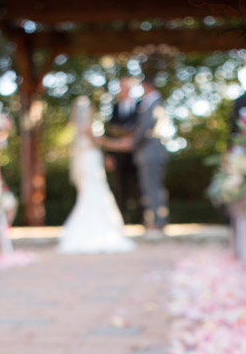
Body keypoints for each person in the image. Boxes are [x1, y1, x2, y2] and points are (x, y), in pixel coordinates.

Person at [58, 96, 135, 254]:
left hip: (88, 160)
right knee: (95, 191)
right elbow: (97, 142)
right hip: (91, 160)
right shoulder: (87, 128)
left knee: (92, 192)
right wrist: (115, 143)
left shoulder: (79, 129)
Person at [131, 74, 169, 238]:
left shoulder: (153, 103)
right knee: (152, 188)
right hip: (149, 154)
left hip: (151, 154)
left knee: (153, 188)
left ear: (147, 86)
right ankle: (156, 219)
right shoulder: (151, 103)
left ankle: (157, 221)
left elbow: (146, 129)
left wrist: (132, 142)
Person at [105, 76, 140, 221]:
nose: (124, 90)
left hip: (137, 153)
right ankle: (121, 218)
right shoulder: (114, 107)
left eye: (127, 87)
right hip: (119, 154)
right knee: (120, 186)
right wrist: (109, 155)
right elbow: (109, 131)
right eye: (122, 87)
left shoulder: (140, 106)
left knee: (139, 186)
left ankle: (141, 218)